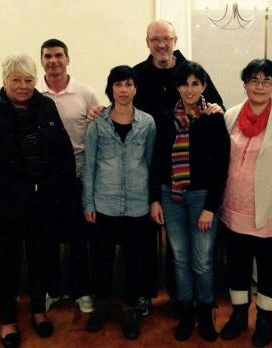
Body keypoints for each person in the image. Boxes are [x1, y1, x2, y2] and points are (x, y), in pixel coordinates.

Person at [0, 53, 75, 347]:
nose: (23, 86)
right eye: (16, 80)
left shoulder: (46, 106)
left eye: (28, 80)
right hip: (2, 204)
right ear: (4, 80)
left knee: (40, 259)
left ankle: (38, 311)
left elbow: (63, 151)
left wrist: (59, 191)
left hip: (42, 203)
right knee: (5, 264)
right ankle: (8, 320)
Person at [132, 20, 224, 313]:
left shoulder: (193, 73)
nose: (161, 44)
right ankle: (169, 299)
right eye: (155, 39)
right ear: (147, 42)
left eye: (166, 39)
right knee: (169, 249)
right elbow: (120, 102)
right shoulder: (138, 76)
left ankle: (198, 304)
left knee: (198, 257)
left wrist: (216, 110)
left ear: (175, 40)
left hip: (198, 188)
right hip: (158, 178)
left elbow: (217, 108)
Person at [218, 59, 272, 347]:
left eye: (266, 81)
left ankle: (266, 319)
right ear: (244, 83)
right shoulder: (230, 116)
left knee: (270, 269)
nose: (260, 86)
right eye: (254, 80)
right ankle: (239, 315)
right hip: (233, 210)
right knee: (238, 267)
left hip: (271, 212)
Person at [149, 61, 229, 342]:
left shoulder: (213, 118)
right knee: (180, 259)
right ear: (177, 87)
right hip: (171, 197)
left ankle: (205, 312)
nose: (190, 89)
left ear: (204, 86)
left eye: (196, 83)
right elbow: (158, 160)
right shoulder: (166, 117)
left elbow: (222, 167)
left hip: (201, 199)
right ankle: (186, 311)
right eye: (185, 83)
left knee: (203, 261)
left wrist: (211, 207)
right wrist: (155, 199)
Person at [81, 65, 156, 340]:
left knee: (133, 261)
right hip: (103, 204)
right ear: (110, 89)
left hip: (137, 204)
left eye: (128, 84)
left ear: (135, 89)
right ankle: (101, 307)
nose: (123, 90)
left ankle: (129, 310)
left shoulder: (147, 122)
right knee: (100, 260)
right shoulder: (97, 122)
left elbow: (151, 164)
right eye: (118, 85)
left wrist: (152, 201)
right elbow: (88, 165)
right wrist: (88, 202)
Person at [36, 38, 98, 313]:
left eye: (58, 55)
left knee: (78, 239)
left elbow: (98, 130)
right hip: (45, 180)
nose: (53, 60)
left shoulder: (85, 93)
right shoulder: (33, 94)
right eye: (47, 56)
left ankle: (82, 291)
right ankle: (52, 289)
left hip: (79, 177)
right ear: (42, 61)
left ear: (68, 58)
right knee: (46, 238)